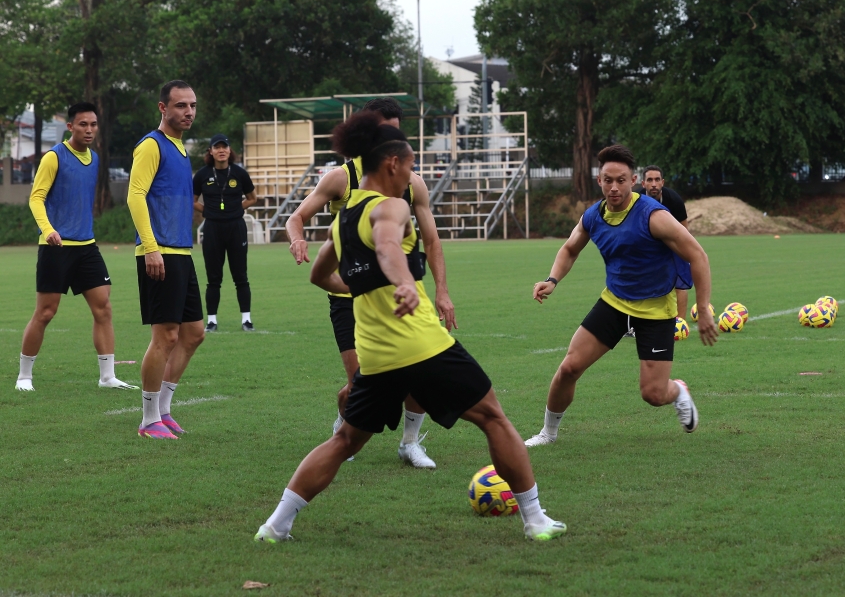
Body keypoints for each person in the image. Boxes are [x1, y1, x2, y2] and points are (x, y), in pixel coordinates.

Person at [255, 134, 566, 543]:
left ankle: (275, 525)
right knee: (493, 418)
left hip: (376, 355)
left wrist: (362, 287)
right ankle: (535, 519)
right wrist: (402, 281)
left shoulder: (343, 218)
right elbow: (387, 246)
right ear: (392, 164)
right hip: (422, 345)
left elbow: (318, 275)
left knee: (345, 440)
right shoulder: (392, 205)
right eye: (410, 165)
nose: (412, 175)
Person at [286, 98, 456, 469]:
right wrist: (297, 239)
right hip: (350, 295)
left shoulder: (412, 183)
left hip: (400, 293)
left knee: (419, 372)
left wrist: (442, 292)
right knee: (361, 384)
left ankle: (410, 443)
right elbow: (296, 217)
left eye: (395, 131)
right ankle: (344, 427)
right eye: (382, 130)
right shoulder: (340, 178)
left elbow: (432, 241)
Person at [524, 145, 717, 447]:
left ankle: (678, 390)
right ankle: (548, 433)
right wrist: (552, 280)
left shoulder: (653, 216)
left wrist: (702, 308)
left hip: (655, 310)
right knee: (569, 367)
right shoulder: (594, 216)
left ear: (634, 180)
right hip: (614, 303)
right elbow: (570, 248)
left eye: (621, 180)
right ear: (599, 181)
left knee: (653, 394)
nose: (614, 187)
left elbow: (698, 256)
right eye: (608, 180)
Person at [15, 102, 135, 392]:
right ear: (70, 127)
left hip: (87, 246)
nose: (89, 129)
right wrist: (48, 230)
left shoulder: (94, 159)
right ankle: (24, 377)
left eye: (93, 124)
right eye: (83, 124)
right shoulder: (54, 157)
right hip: (56, 247)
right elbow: (36, 198)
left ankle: (107, 377)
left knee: (103, 308)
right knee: (46, 312)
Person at [126, 80, 206, 439]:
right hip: (159, 252)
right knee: (166, 336)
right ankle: (148, 420)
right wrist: (151, 247)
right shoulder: (151, 145)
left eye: (192, 105)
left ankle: (164, 410)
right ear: (163, 108)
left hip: (181, 252)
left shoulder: (181, 148)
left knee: (193, 334)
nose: (188, 112)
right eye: (180, 105)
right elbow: (135, 195)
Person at [193, 133, 258, 332]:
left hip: (236, 227)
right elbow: (191, 200)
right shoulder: (202, 175)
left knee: (241, 276)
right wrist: (208, 211)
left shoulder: (239, 173)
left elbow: (252, 198)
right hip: (212, 228)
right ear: (211, 151)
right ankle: (212, 321)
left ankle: (246, 319)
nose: (221, 150)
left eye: (224, 147)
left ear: (230, 151)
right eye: (217, 147)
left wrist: (236, 209)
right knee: (214, 278)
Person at [640, 165, 691, 321]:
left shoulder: (674, 200)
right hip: (646, 247)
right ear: (643, 183)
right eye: (649, 180)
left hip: (672, 244)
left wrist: (683, 254)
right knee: (641, 284)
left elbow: (684, 230)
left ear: (662, 182)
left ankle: (680, 324)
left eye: (657, 180)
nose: (653, 184)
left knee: (680, 283)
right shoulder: (635, 201)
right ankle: (641, 322)